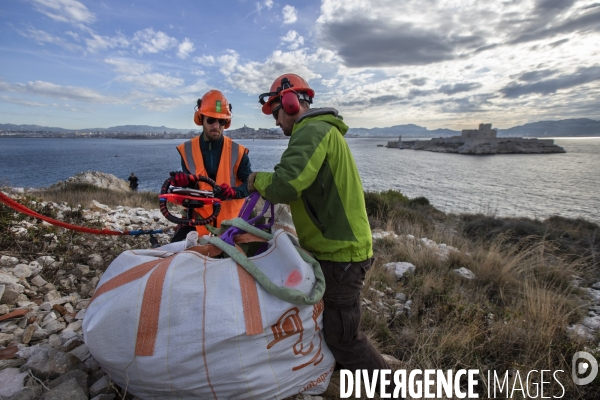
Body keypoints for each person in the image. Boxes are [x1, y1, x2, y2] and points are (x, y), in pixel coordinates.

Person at [248, 74, 393, 387]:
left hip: (340, 255)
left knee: (345, 339)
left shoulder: (311, 130)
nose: (275, 122)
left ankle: (393, 388)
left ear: (290, 102)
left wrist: (256, 180)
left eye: (275, 112)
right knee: (331, 328)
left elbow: (286, 185)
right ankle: (340, 382)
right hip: (338, 249)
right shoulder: (322, 130)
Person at [170, 90, 252, 241]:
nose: (216, 126)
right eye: (211, 120)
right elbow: (193, 190)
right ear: (201, 119)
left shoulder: (238, 152)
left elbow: (249, 184)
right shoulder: (187, 150)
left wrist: (233, 192)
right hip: (200, 226)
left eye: (221, 122)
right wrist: (185, 183)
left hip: (232, 229)